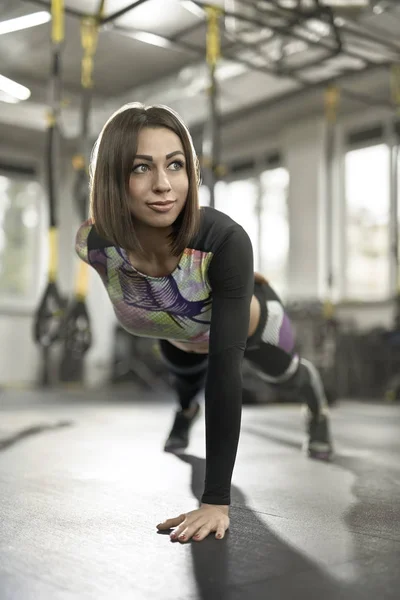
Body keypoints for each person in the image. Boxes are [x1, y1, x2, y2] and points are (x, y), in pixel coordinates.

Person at [75, 102, 334, 544]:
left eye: (175, 165)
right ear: (114, 179)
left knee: (284, 373)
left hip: (245, 323)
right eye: (141, 168)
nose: (163, 185)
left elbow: (225, 371)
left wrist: (215, 501)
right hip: (176, 328)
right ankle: (184, 410)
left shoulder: (224, 241)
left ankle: (318, 409)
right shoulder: (94, 244)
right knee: (182, 371)